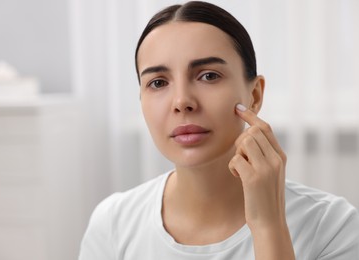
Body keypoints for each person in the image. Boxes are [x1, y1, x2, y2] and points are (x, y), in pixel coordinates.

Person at [79, 1, 359, 259]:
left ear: (255, 96)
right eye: (158, 83)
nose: (182, 102)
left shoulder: (331, 226)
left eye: (209, 76)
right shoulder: (112, 225)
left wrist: (268, 226)